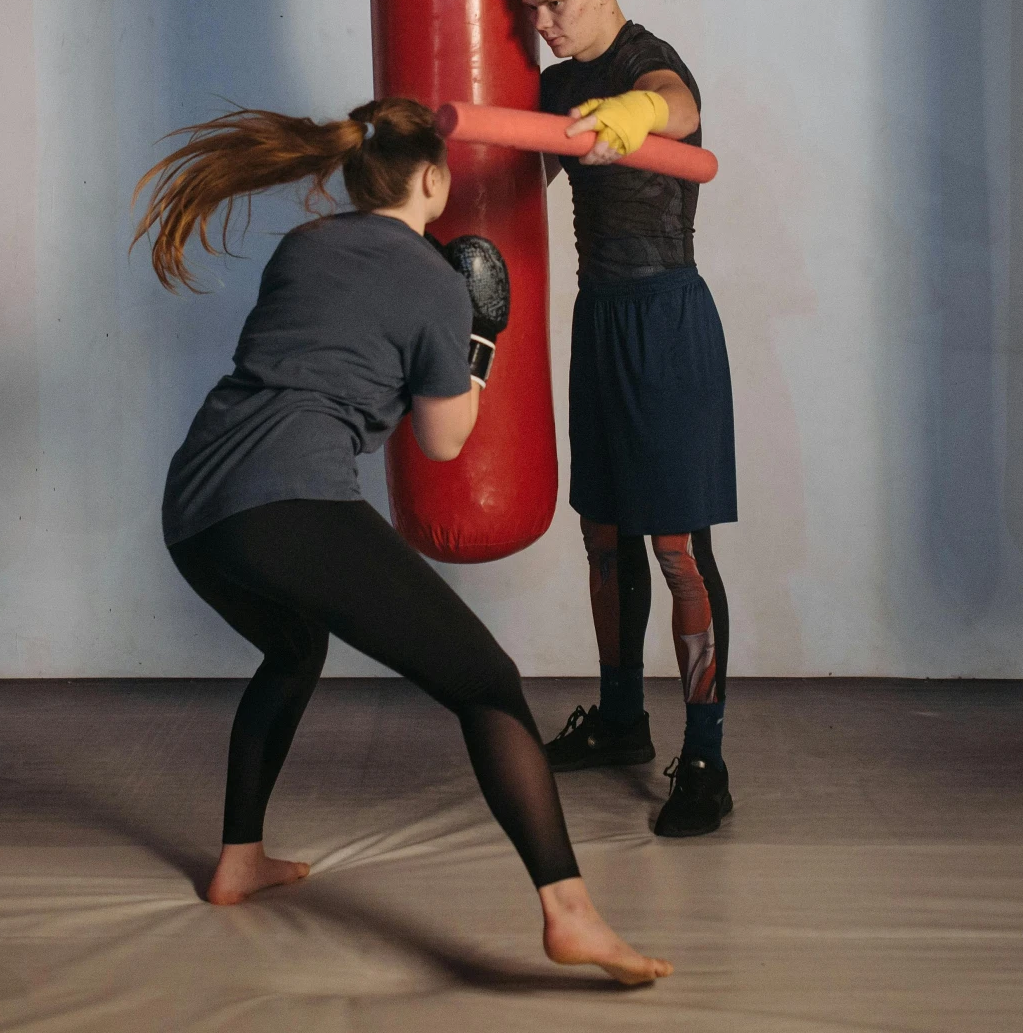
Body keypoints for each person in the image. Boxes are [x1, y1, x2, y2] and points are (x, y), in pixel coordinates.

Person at [134, 96, 672, 986]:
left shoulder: (302, 247)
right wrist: (480, 337)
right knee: (490, 687)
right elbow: (444, 440)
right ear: (432, 177)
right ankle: (569, 913)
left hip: (196, 507)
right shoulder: (432, 283)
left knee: (291, 647)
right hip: (290, 502)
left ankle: (239, 860)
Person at [517, 0, 739, 839]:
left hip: (666, 319)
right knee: (602, 531)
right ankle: (618, 719)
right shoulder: (554, 81)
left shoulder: (648, 60)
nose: (543, 24)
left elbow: (676, 104)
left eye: (556, 5)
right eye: (530, 9)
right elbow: (517, 175)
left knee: (675, 545)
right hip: (597, 316)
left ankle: (705, 758)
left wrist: (638, 116)